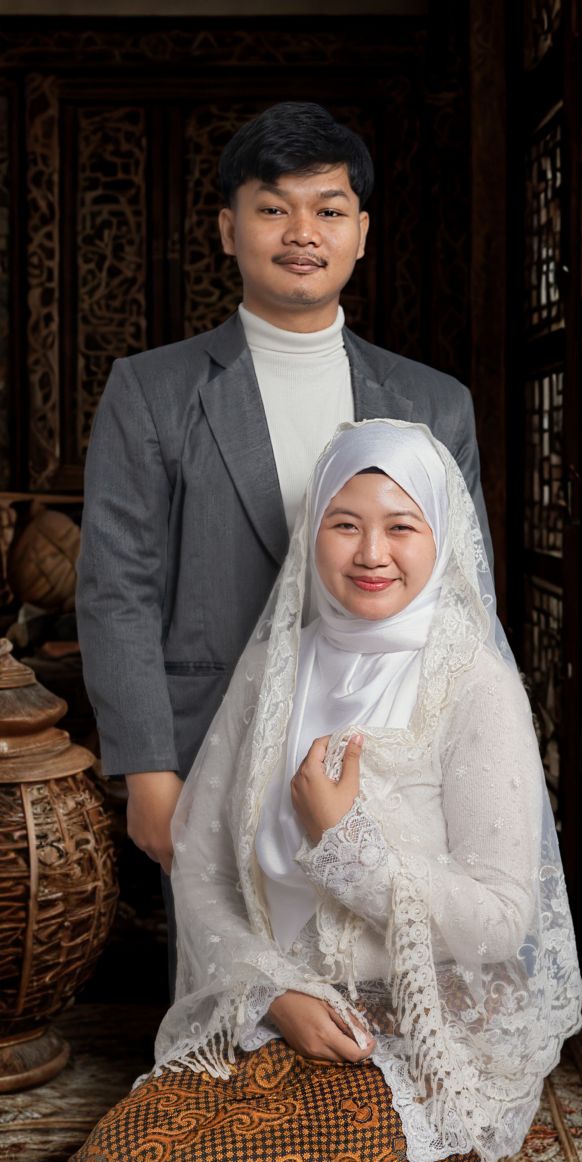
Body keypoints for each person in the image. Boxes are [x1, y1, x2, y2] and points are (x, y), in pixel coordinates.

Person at [68, 419, 582, 1162]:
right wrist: (274, 994)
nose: (372, 553)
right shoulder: (277, 668)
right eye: (345, 525)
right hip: (271, 1013)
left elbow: (502, 922)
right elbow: (202, 867)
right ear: (314, 531)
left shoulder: (474, 686)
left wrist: (345, 843)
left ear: (441, 535)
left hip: (415, 1039)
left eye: (401, 527)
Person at [75, 101, 493, 892]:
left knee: (388, 954)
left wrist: (468, 758)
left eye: (328, 211)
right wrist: (147, 768)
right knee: (234, 966)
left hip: (394, 753)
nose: (303, 232)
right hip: (210, 749)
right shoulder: (152, 392)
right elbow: (115, 589)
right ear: (228, 230)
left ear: (360, 234)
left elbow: (465, 596)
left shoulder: (435, 404)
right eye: (273, 209)